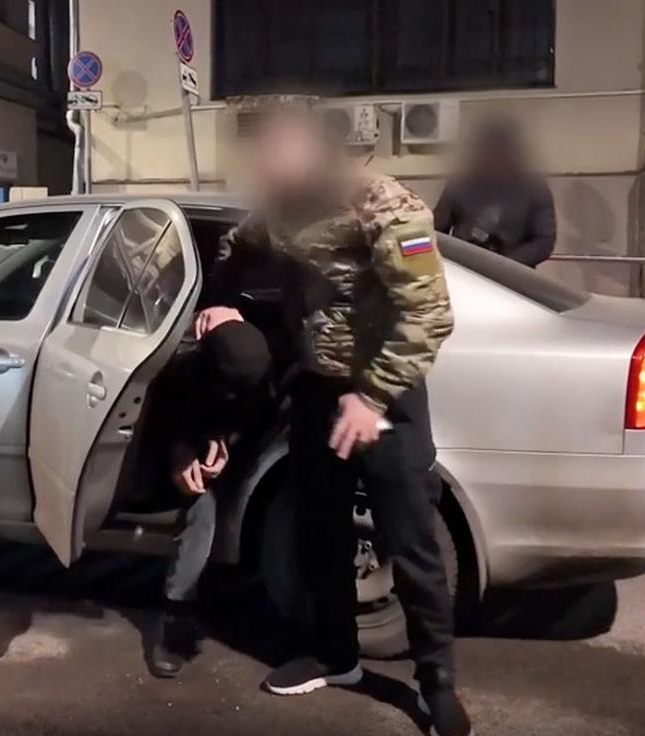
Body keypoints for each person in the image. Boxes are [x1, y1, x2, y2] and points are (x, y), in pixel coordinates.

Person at [199, 106, 471, 736]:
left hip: (384, 401)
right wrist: (221, 302)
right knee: (318, 532)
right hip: (318, 395)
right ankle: (335, 656)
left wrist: (370, 399)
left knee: (412, 544)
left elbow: (429, 314)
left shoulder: (383, 205)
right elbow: (237, 247)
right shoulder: (282, 207)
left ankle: (437, 685)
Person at [142, 316, 273, 678]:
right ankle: (175, 614)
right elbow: (158, 419)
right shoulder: (180, 371)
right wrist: (179, 453)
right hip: (165, 449)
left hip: (224, 448)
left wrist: (224, 442)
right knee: (202, 509)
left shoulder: (259, 376)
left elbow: (251, 418)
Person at [434, 115, 556, 267]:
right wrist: (456, 260)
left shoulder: (535, 188)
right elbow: (436, 231)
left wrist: (505, 263)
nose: (494, 158)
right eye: (488, 150)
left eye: (500, 151)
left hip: (513, 271)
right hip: (465, 266)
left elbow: (543, 241)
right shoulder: (460, 183)